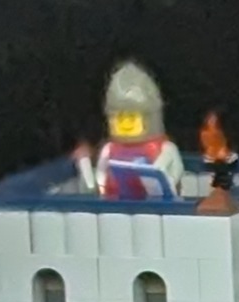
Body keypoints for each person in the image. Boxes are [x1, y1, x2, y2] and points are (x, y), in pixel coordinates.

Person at [79, 62, 192, 202]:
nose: (125, 123)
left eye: (131, 117)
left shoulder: (165, 149)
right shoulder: (109, 149)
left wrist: (165, 182)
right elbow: (101, 175)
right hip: (115, 206)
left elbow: (176, 172)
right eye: (120, 117)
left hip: (157, 207)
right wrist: (95, 180)